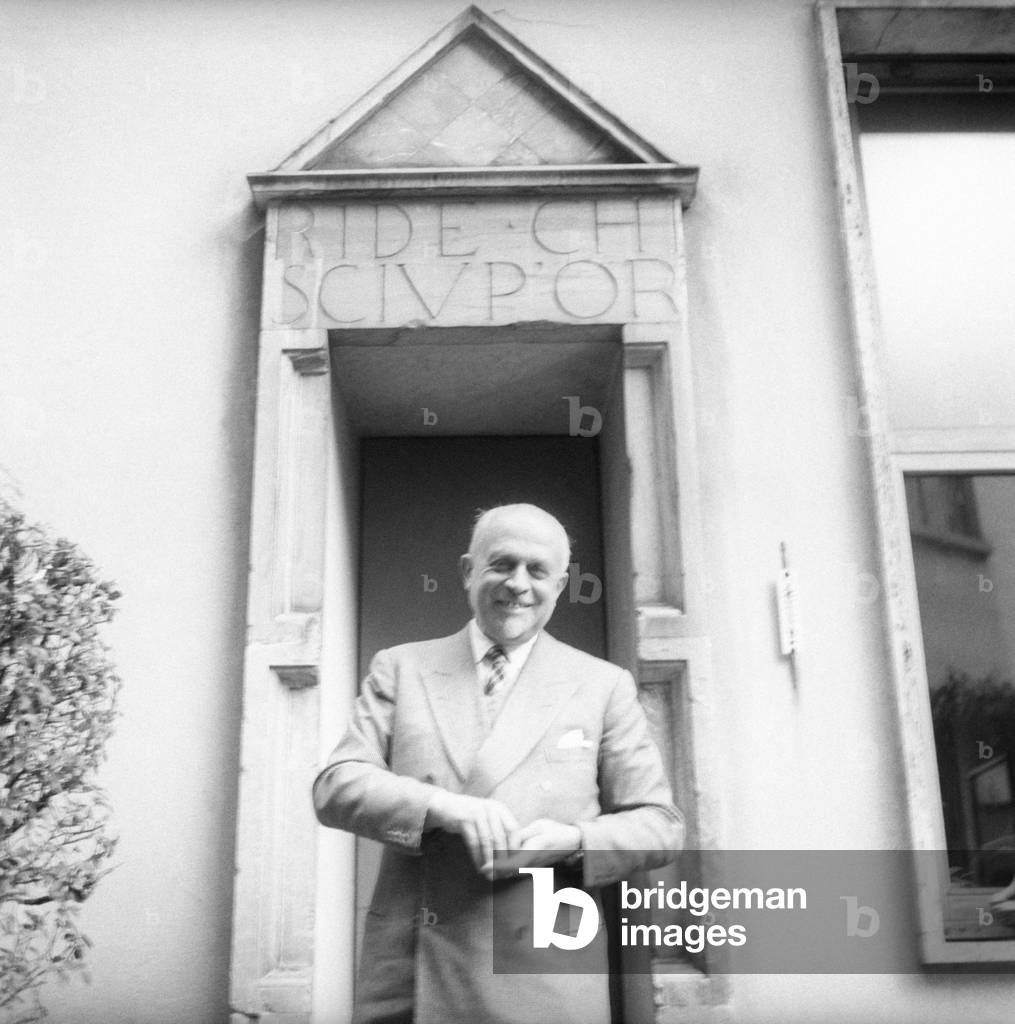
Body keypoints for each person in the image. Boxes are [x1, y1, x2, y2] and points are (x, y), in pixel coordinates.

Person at [312, 503, 682, 1024]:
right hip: (412, 972)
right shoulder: (402, 667)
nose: (518, 584)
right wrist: (440, 806)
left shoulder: (601, 685)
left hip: (544, 972)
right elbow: (335, 786)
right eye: (502, 564)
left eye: (537, 570)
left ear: (561, 583)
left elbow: (660, 827)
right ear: (468, 571)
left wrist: (573, 840)